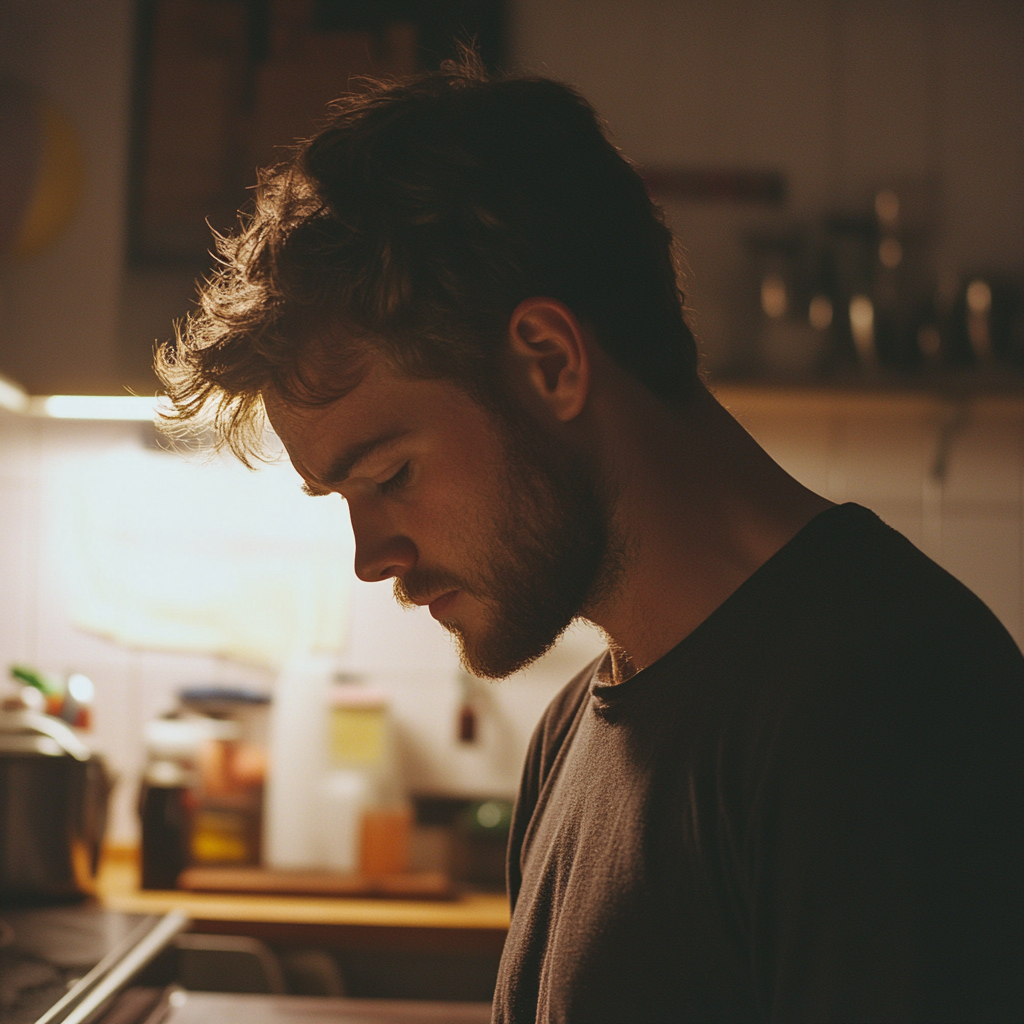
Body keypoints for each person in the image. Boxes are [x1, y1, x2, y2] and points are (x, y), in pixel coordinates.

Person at [159, 54, 1023, 1024]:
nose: (370, 558)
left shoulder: (884, 708)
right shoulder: (574, 731)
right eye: (341, 497)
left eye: (391, 474)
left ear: (550, 361)